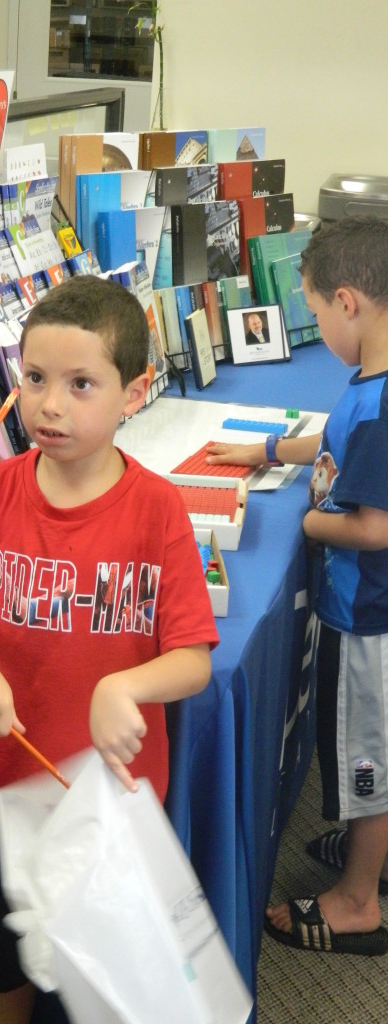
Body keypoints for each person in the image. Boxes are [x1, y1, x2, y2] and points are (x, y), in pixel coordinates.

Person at [0, 275, 219, 1023]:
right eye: (35, 379)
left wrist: (124, 687)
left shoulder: (157, 509)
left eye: (80, 385)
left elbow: (193, 660)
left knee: (105, 994)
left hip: (111, 804)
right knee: (3, 981)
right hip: (0, 796)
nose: (48, 405)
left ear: (134, 393)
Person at [207, 215, 388, 957]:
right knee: (368, 751)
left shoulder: (381, 405)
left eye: (314, 311)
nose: (316, 324)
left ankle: (357, 900)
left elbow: (374, 529)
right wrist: (270, 450)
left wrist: (305, 523)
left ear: (346, 302)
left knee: (364, 755)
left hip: (367, 612)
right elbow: (340, 439)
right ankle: (367, 852)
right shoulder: (372, 381)